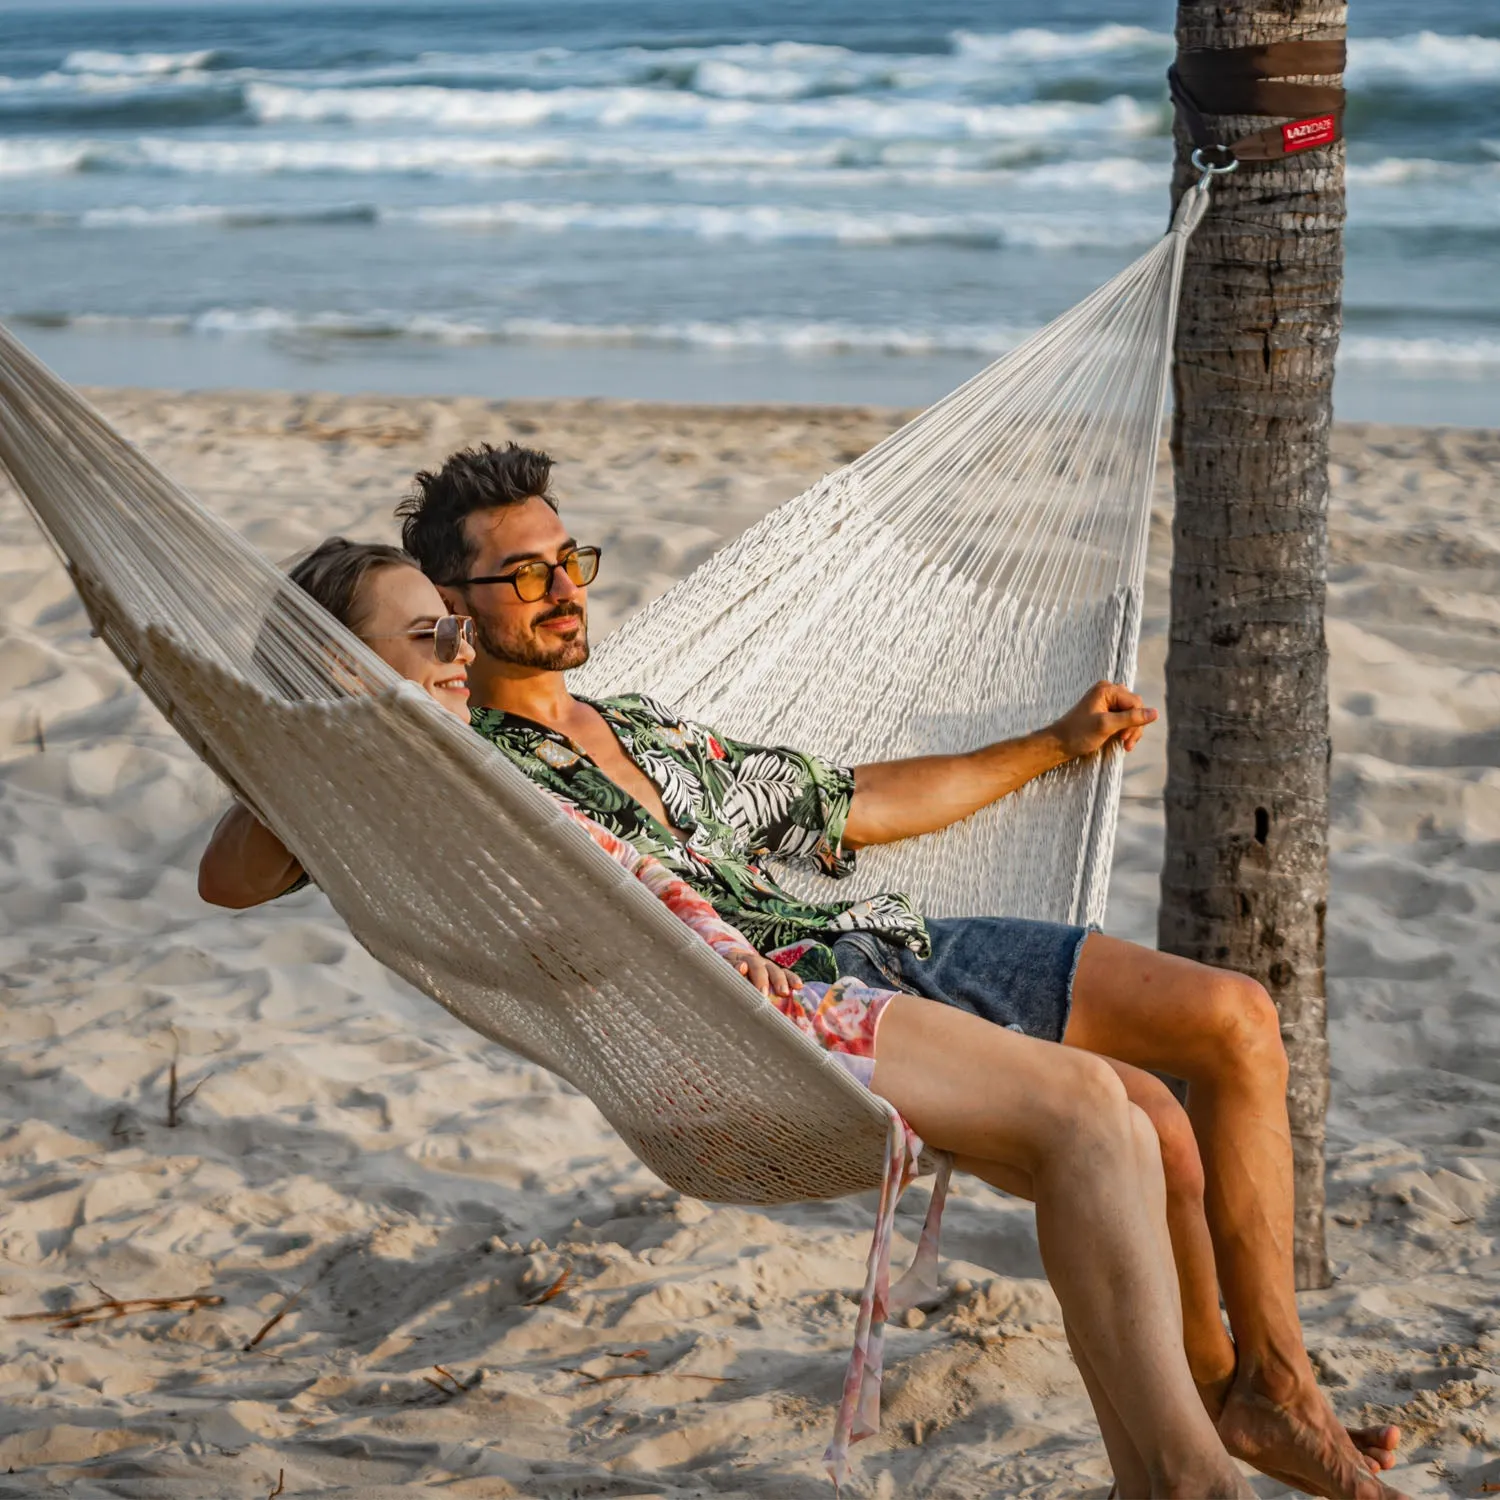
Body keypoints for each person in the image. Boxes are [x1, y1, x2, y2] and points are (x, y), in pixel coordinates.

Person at [384, 440, 1400, 1500]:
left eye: (568, 562)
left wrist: (1053, 743)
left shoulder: (645, 730)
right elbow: (273, 844)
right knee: (1144, 1129)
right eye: (525, 574)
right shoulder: (470, 769)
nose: (562, 592)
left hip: (892, 944)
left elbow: (850, 804)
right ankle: (1207, 1445)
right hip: (785, 1008)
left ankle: (1274, 1389)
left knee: (1235, 1018)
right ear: (453, 607)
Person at [203, 536, 1260, 1499]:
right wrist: (320, 727)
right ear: (342, 666)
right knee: (1086, 1107)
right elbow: (229, 880)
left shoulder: (490, 751)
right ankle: (1192, 1476)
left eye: (455, 627)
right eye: (429, 630)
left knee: (1118, 1121)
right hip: (735, 1036)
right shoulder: (395, 786)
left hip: (769, 998)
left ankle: (1154, 1478)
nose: (457, 647)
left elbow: (825, 808)